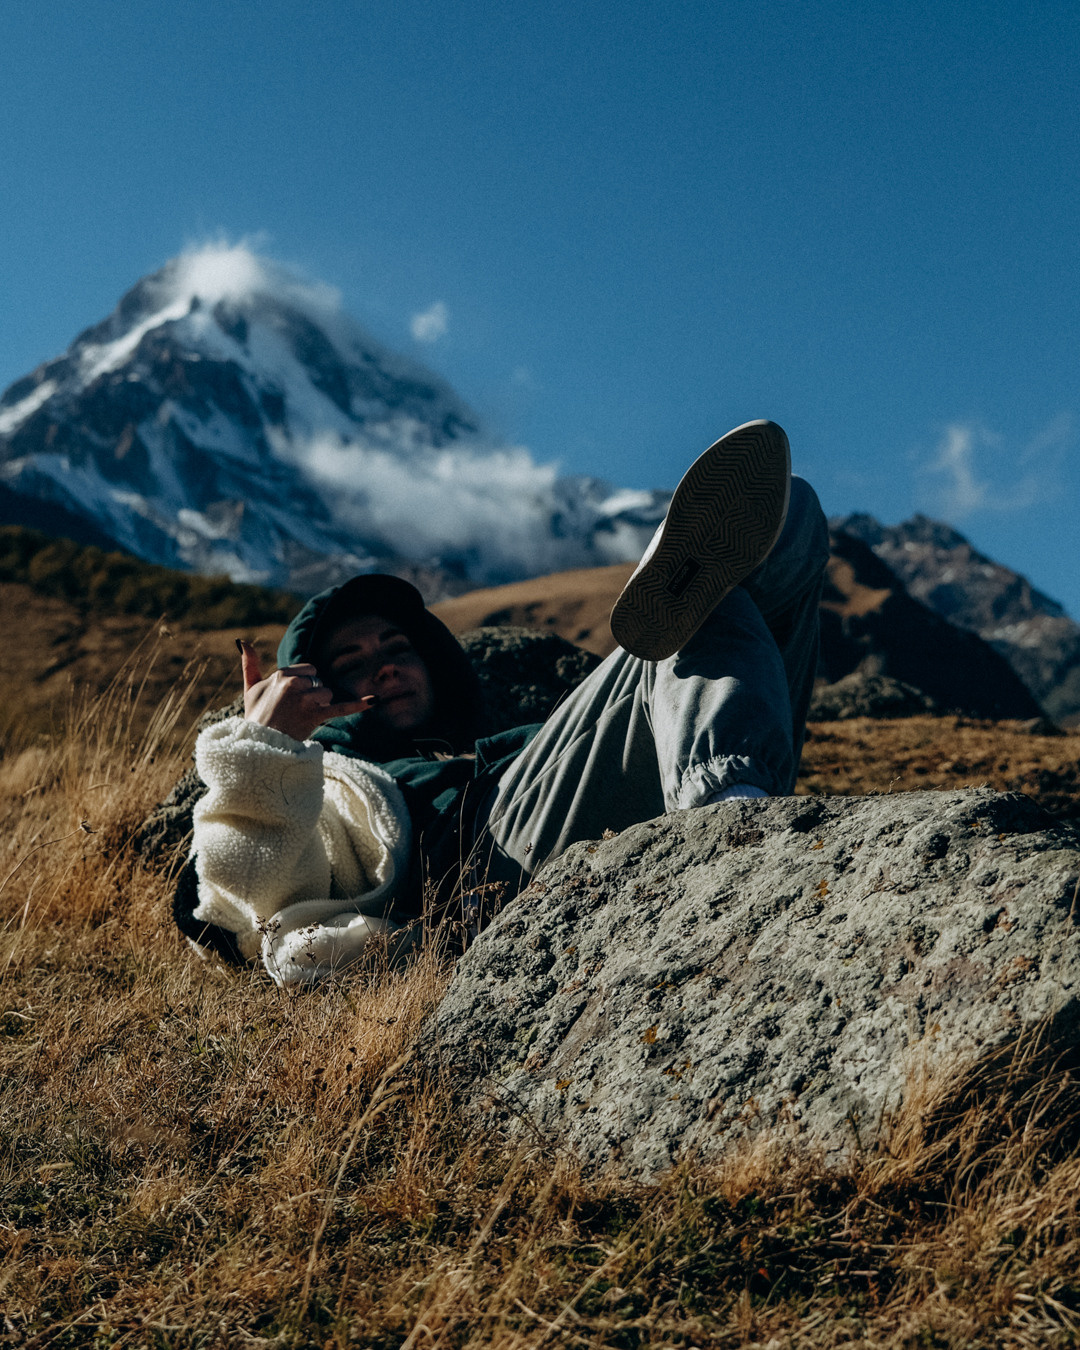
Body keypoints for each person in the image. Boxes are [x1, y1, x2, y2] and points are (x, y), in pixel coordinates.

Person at [177, 420, 830, 984]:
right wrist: (267, 751)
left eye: (397, 646)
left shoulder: (491, 744)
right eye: (351, 663)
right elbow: (238, 905)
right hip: (488, 865)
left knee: (791, 517)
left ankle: (730, 804)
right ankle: (737, 833)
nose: (385, 665)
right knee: (683, 612)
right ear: (318, 690)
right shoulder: (332, 784)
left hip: (566, 805)